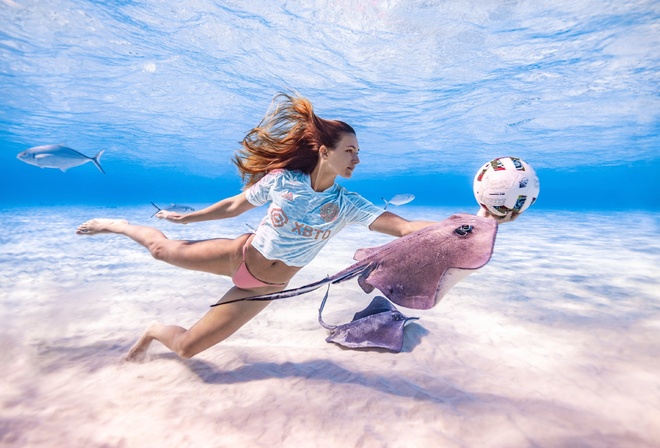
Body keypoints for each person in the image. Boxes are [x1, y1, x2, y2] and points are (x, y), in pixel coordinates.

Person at [76, 93, 508, 361]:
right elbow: (233, 205)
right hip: (239, 255)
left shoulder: (347, 204)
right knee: (160, 250)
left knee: (188, 349)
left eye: (359, 152)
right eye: (351, 151)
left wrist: (473, 223)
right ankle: (117, 225)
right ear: (324, 151)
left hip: (264, 289)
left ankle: (153, 331)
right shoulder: (284, 181)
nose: (358, 159)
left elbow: (405, 226)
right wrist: (189, 216)